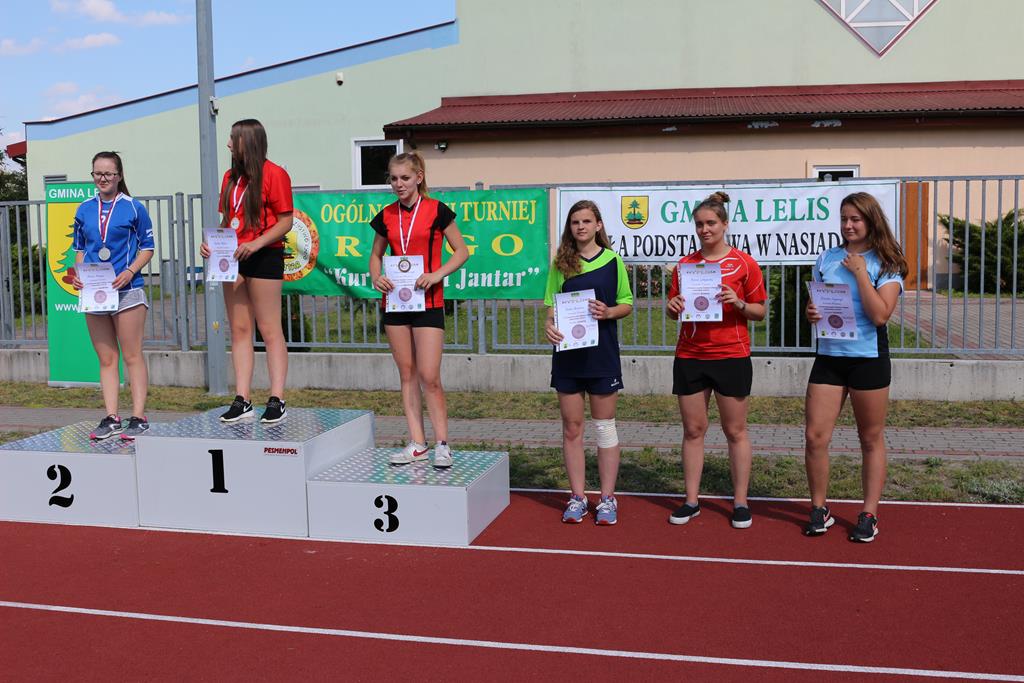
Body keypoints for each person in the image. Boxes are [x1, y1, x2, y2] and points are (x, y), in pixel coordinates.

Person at [803, 191, 906, 543]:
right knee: (815, 437)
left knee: (869, 438)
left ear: (870, 221)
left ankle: (868, 514)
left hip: (868, 360)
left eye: (855, 219)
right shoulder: (827, 257)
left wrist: (861, 273)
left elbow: (880, 315)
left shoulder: (887, 262)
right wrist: (811, 312)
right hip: (830, 358)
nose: (848, 225)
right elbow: (817, 304)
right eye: (844, 218)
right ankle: (819, 509)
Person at [665, 191, 766, 529]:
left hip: (731, 355)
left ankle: (740, 502)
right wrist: (672, 307)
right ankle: (691, 500)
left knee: (735, 431)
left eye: (711, 223)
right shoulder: (685, 265)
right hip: (690, 355)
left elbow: (759, 311)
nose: (705, 229)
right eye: (699, 224)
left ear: (725, 224)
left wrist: (738, 302)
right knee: (693, 430)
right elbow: (673, 309)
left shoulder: (744, 263)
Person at [368, 152, 469, 468]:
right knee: (407, 374)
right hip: (396, 302)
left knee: (429, 376)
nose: (398, 184)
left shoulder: (437, 210)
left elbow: (461, 251)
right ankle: (417, 443)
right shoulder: (386, 215)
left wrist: (437, 274)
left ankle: (442, 444)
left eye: (405, 178)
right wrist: (376, 277)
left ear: (419, 177)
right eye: (394, 178)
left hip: (429, 301)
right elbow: (375, 256)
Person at [544, 200, 633, 525]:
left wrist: (608, 312)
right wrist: (549, 326)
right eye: (575, 222)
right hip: (568, 357)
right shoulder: (561, 263)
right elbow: (551, 306)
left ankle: (607, 499)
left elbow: (626, 303)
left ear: (598, 225)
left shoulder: (613, 261)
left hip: (602, 356)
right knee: (572, 428)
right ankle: (578, 497)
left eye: (586, 221)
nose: (580, 227)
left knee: (604, 428)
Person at [201, 119, 293, 424]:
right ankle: (242, 399)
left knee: (269, 329)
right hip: (232, 258)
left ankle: (277, 399)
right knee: (239, 329)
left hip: (264, 254)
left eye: (233, 138)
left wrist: (256, 244)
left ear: (249, 142)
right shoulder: (230, 177)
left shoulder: (275, 174)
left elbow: (286, 221)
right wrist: (212, 245)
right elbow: (229, 220)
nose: (228, 144)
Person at [72, 151, 155, 440]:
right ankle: (111, 418)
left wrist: (130, 272)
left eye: (108, 173)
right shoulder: (84, 209)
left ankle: (139, 417)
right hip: (96, 291)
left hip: (127, 290)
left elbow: (148, 247)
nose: (103, 178)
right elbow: (80, 250)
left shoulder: (133, 207)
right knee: (106, 358)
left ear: (119, 175)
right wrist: (80, 275)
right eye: (98, 173)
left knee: (132, 355)